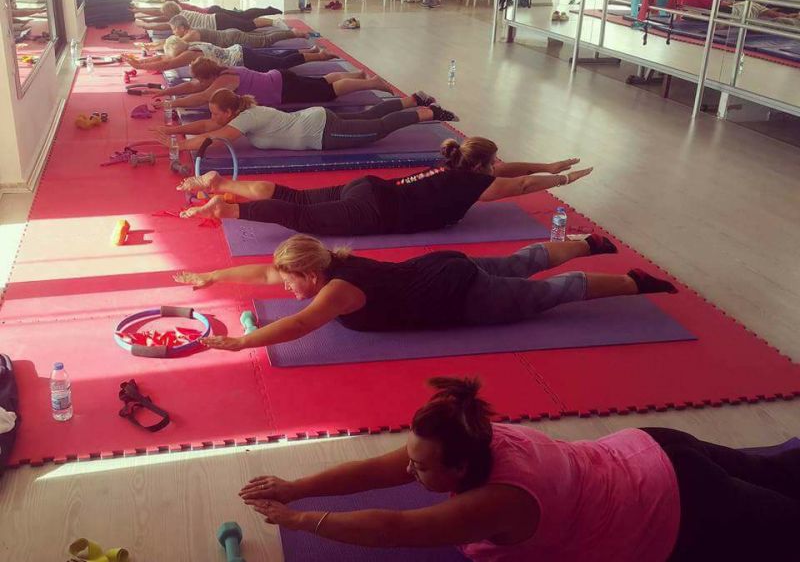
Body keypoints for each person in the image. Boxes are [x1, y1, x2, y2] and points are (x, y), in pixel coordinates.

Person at [234, 376, 800, 561]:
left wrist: (301, 520)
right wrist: (296, 487)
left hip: (679, 502)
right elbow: (377, 470)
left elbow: (395, 528)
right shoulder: (477, 434)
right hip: (658, 447)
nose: (409, 469)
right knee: (776, 467)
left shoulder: (496, 501)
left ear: (459, 469)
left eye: (422, 468)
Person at [174, 232, 676, 351]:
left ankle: (634, 283)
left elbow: (300, 325)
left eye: (290, 279)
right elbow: (266, 274)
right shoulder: (330, 260)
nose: (283, 286)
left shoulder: (337, 290)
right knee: (518, 262)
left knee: (546, 294)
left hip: (460, 294)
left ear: (310, 274)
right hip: (441, 265)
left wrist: (241, 342)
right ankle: (588, 242)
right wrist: (213, 277)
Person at [177, 137, 593, 237]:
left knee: (294, 196)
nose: (497, 167)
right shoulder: (475, 184)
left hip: (369, 187)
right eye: (493, 163)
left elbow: (509, 171)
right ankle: (227, 208)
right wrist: (561, 179)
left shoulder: (454, 163)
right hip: (375, 211)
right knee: (303, 217)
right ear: (482, 167)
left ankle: (225, 183)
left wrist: (549, 164)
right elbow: (519, 182)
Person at [154, 89, 458, 153]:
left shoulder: (246, 119)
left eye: (215, 112)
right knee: (369, 115)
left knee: (378, 128)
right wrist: (174, 130)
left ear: (229, 112)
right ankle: (415, 99)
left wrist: (176, 147)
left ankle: (432, 113)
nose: (212, 117)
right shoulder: (242, 113)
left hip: (322, 132)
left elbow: (216, 137)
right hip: (317, 118)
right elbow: (207, 127)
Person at [155, 57, 393, 110]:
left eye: (200, 78)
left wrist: (171, 104)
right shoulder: (222, 71)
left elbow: (202, 96)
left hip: (282, 88)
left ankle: (372, 83)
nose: (198, 82)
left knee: (329, 91)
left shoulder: (224, 80)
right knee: (322, 81)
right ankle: (357, 75)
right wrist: (167, 92)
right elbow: (193, 87)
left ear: (207, 76)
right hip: (280, 78)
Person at [121, 35, 336, 74]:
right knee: (278, 58)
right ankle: (311, 51)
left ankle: (319, 56)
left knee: (282, 63)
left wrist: (140, 66)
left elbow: (166, 64)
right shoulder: (189, 44)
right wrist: (141, 60)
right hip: (240, 51)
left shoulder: (188, 55)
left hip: (243, 59)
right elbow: (165, 58)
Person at [164, 14, 307, 49]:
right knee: (263, 36)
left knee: (265, 40)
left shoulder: (191, 35)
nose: (173, 33)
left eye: (174, 29)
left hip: (232, 38)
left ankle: (293, 33)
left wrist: (156, 46)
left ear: (181, 28)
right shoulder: (191, 31)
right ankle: (291, 32)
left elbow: (174, 45)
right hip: (230, 34)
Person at [135, 1, 276, 33]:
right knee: (246, 22)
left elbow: (161, 26)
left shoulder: (177, 19)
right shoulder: (182, 13)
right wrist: (145, 20)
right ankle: (273, 21)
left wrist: (144, 24)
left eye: (165, 13)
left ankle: (274, 23)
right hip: (218, 18)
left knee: (248, 25)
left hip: (218, 22)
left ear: (169, 13)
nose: (164, 15)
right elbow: (161, 20)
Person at [133, 0, 281, 17]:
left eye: (164, 1)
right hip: (211, 10)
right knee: (242, 15)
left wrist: (138, 12)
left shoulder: (176, 8)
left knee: (243, 15)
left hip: (212, 12)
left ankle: (268, 10)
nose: (163, 4)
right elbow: (157, 12)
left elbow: (157, 12)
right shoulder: (176, 5)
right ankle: (267, 10)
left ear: (168, 1)